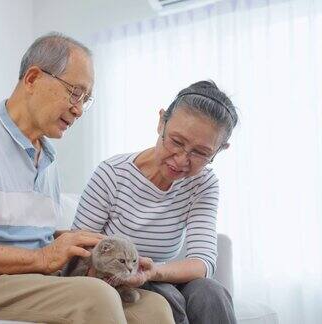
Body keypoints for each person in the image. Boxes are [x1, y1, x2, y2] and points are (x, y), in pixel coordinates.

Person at [0, 32, 174, 324]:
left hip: (32, 282)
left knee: (153, 307)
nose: (78, 109)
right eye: (75, 92)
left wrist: (79, 246)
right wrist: (43, 258)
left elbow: (27, 238)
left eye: (86, 100)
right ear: (33, 79)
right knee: (95, 298)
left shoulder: (48, 159)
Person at [73, 80, 239, 324]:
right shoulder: (113, 174)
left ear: (219, 150)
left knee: (211, 293)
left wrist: (154, 271)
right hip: (117, 279)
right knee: (167, 296)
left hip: (160, 274)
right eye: (177, 142)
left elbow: (202, 262)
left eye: (201, 153)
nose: (182, 160)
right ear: (162, 121)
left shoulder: (203, 183)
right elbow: (79, 247)